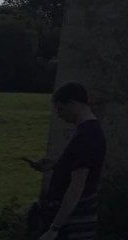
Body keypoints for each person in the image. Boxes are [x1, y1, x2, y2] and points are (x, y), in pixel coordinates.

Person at [25, 82, 106, 240]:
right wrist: (56, 164)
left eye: (60, 109)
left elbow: (77, 186)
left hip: (75, 222)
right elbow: (80, 164)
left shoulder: (87, 136)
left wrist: (55, 228)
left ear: (73, 104)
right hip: (76, 219)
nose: (59, 115)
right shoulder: (88, 131)